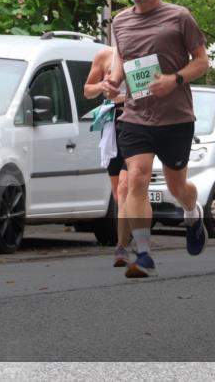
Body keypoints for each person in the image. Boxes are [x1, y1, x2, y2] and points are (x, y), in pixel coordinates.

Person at [104, 0, 208, 278]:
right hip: (136, 114)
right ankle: (144, 254)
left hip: (176, 117)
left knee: (178, 187)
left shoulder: (179, 17)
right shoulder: (120, 22)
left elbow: (202, 61)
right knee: (136, 177)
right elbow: (122, 56)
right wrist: (113, 80)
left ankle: (192, 212)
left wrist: (173, 80)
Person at [83, 45, 131, 267]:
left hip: (137, 122)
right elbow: (87, 90)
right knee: (118, 191)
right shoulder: (104, 56)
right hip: (112, 123)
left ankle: (122, 245)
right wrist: (102, 85)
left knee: (125, 186)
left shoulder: (145, 52)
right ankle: (131, 228)